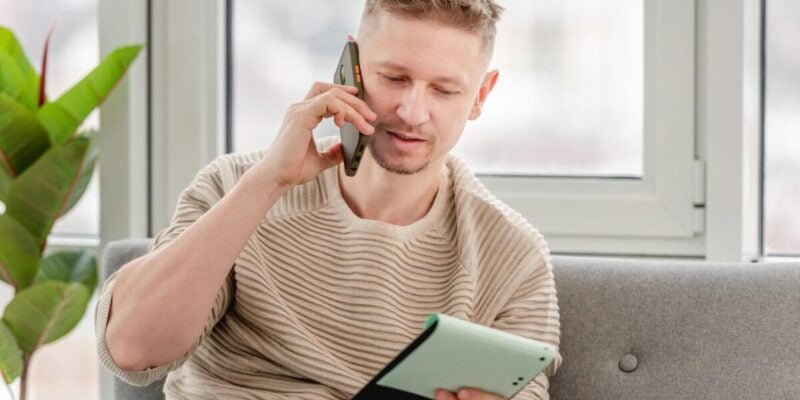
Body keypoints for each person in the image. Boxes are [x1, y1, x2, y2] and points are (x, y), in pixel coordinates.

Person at [96, 1, 562, 399]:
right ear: (352, 66)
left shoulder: (512, 256)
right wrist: (267, 184)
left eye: (444, 90)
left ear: (481, 95)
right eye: (395, 77)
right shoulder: (236, 185)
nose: (412, 112)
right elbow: (132, 351)